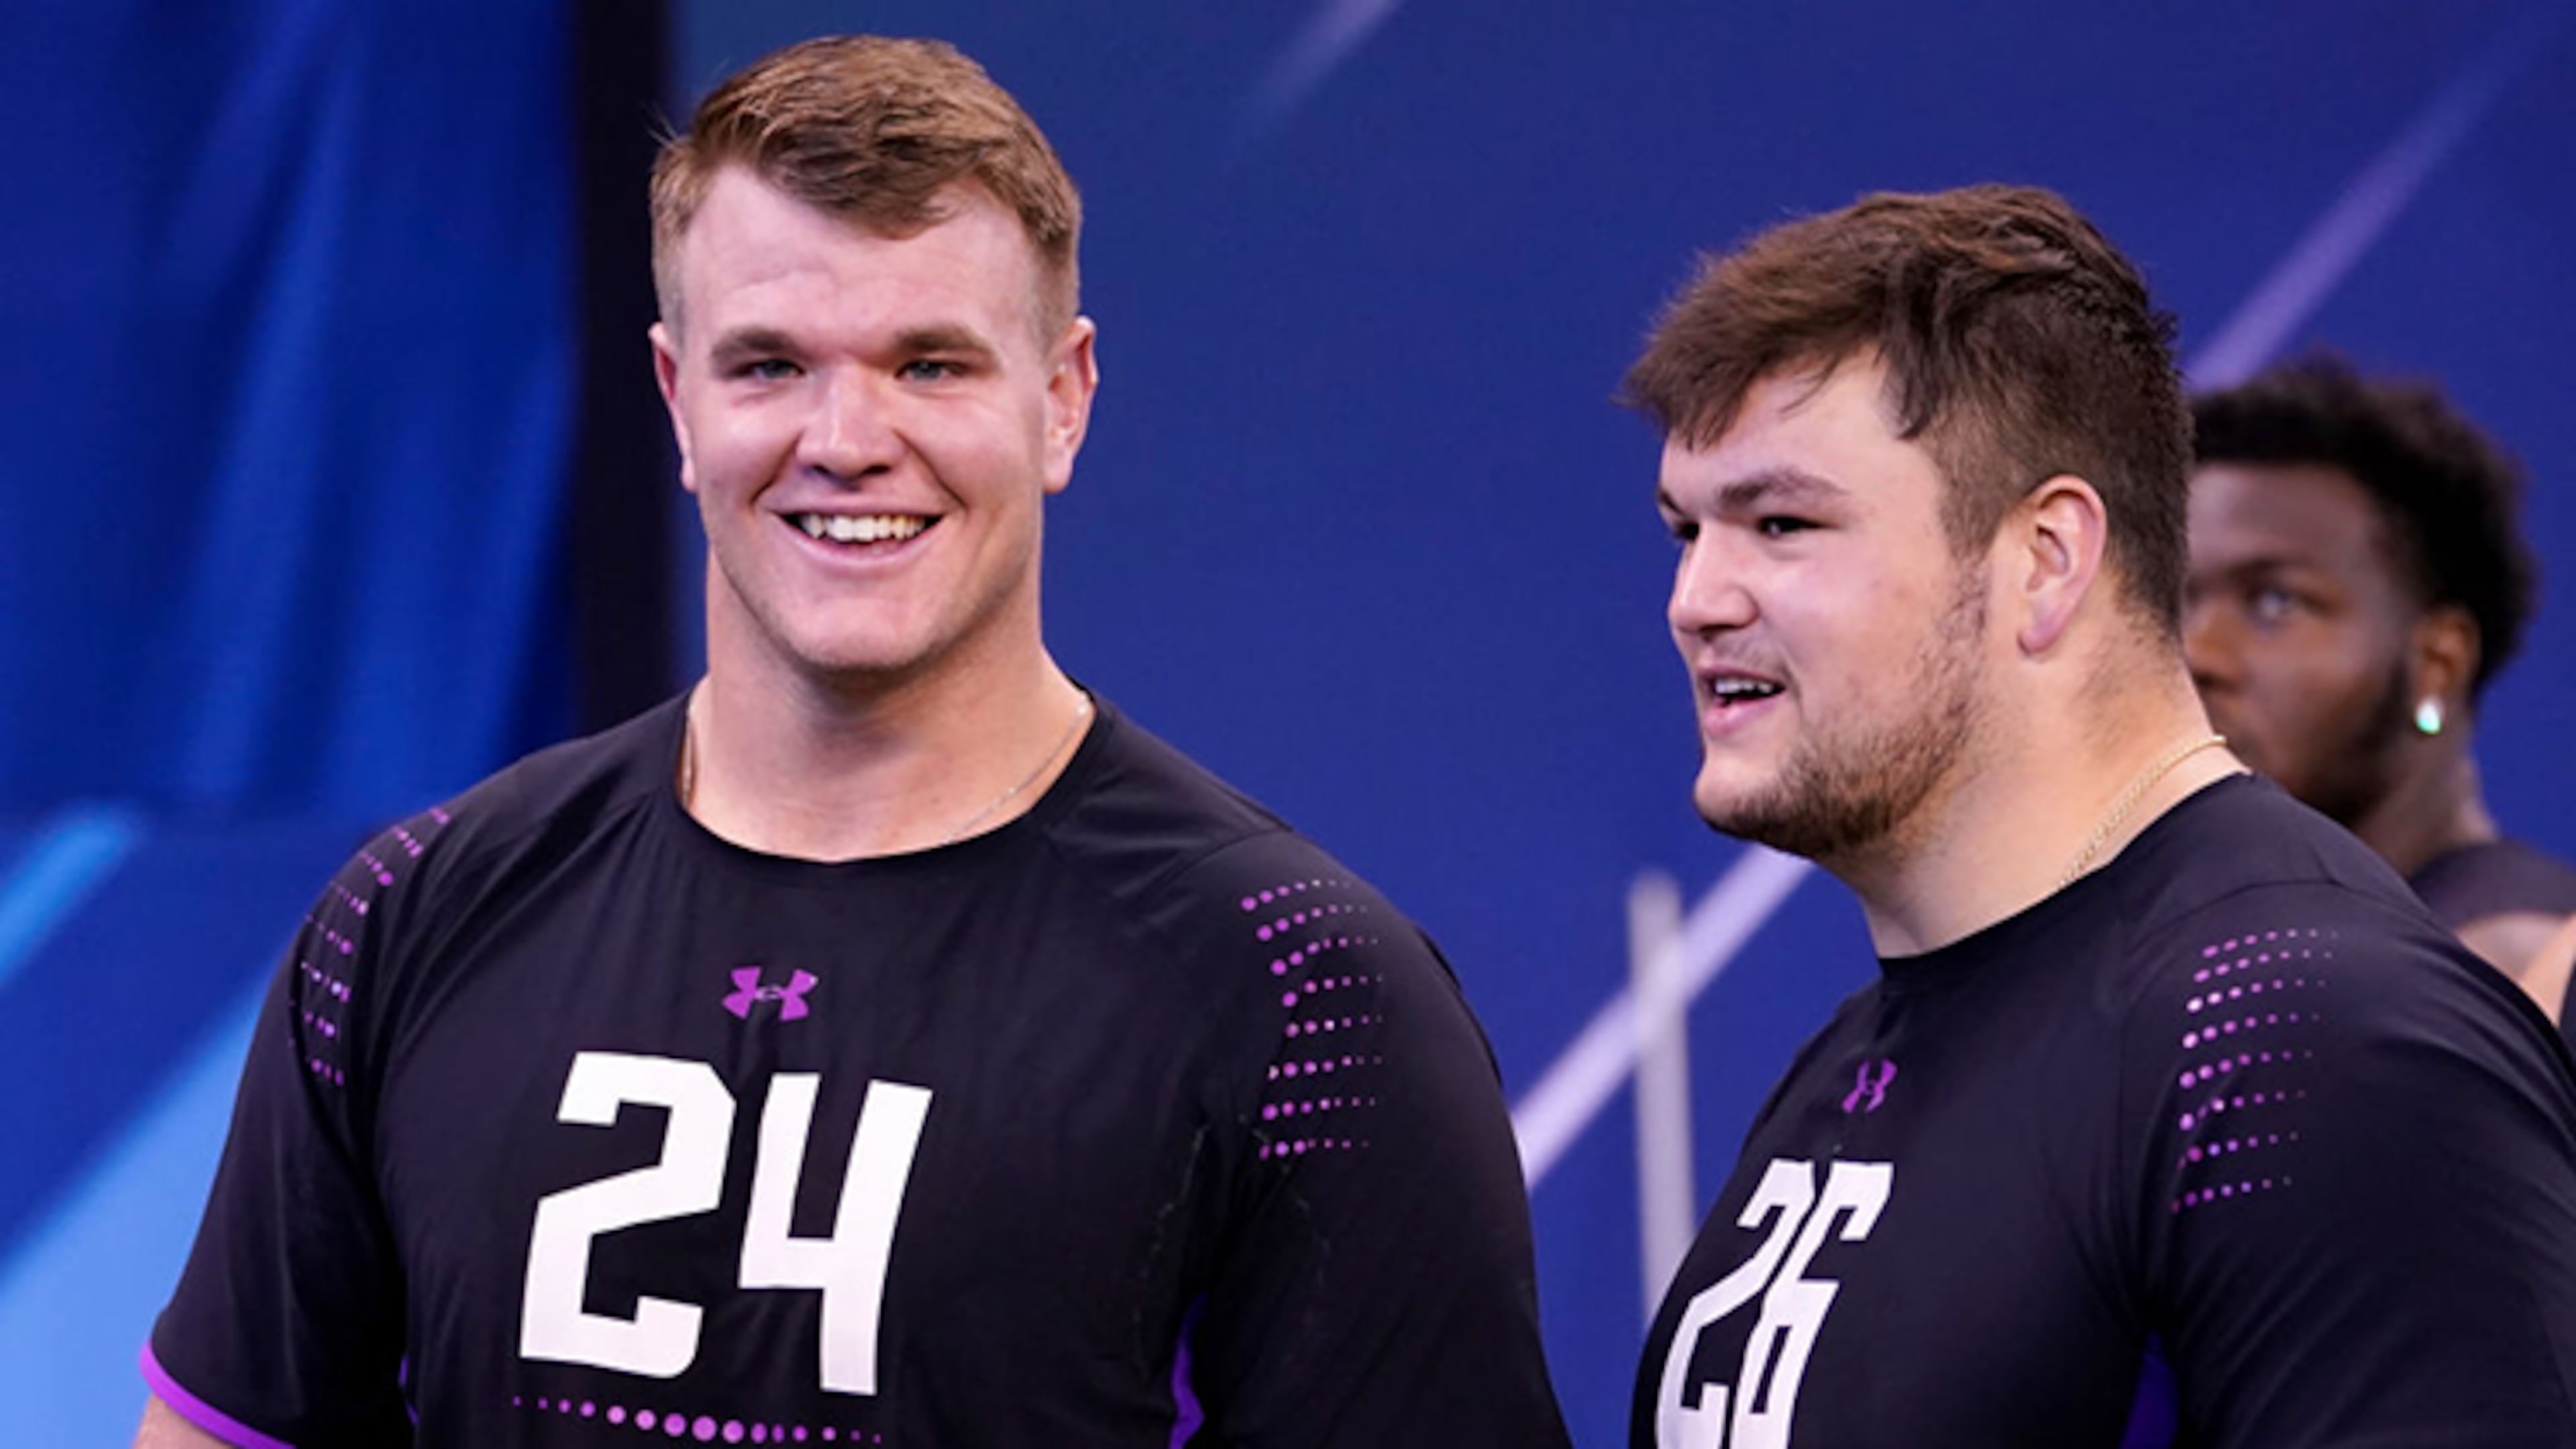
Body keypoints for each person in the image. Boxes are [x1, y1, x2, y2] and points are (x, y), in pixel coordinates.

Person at [136, 35, 1567, 1448]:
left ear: (1062, 399)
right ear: (675, 398)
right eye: (768, 365)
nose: (848, 437)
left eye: (931, 363)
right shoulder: (409, 923)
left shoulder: (1307, 998)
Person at [1622, 184, 2576, 1446]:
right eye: (1689, 530)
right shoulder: (1856, 1055)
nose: (1697, 598)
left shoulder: (2307, 1037)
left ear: (2048, 557)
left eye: (1783, 522)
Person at [2186, 355, 2576, 1022]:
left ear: (2437, 662)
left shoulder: (2526, 974)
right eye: (2171, 602)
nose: (2197, 653)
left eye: (2276, 601)